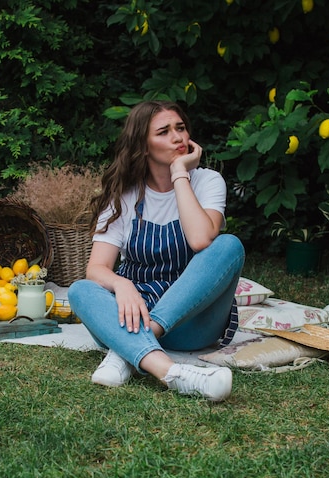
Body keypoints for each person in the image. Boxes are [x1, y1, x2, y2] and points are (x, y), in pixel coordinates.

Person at [68, 100, 245, 401]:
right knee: (80, 290)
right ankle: (172, 373)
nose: (178, 137)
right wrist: (121, 284)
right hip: (130, 314)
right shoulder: (124, 196)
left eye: (181, 128)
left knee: (229, 245)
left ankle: (127, 350)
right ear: (144, 146)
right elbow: (96, 269)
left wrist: (179, 173)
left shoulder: (207, 181)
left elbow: (201, 240)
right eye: (164, 132)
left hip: (193, 324)